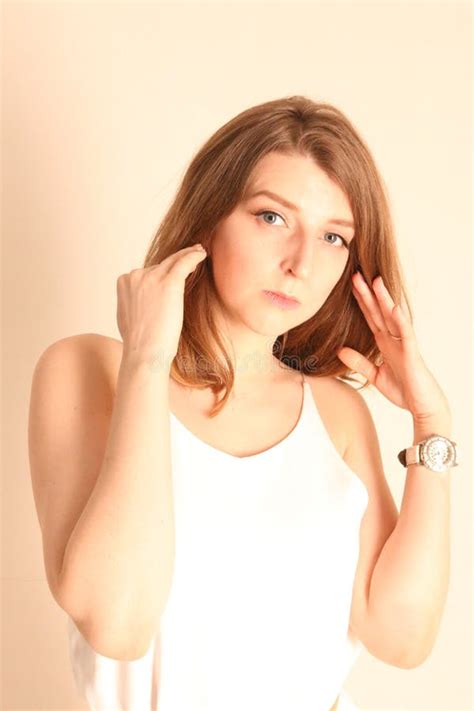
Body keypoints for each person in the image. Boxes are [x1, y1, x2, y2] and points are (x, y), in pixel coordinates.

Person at [29, 95, 455, 711]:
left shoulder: (335, 414)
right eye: (272, 218)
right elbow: (116, 626)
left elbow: (402, 638)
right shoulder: (89, 370)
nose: (301, 264)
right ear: (209, 216)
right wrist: (148, 360)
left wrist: (431, 423)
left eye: (334, 237)